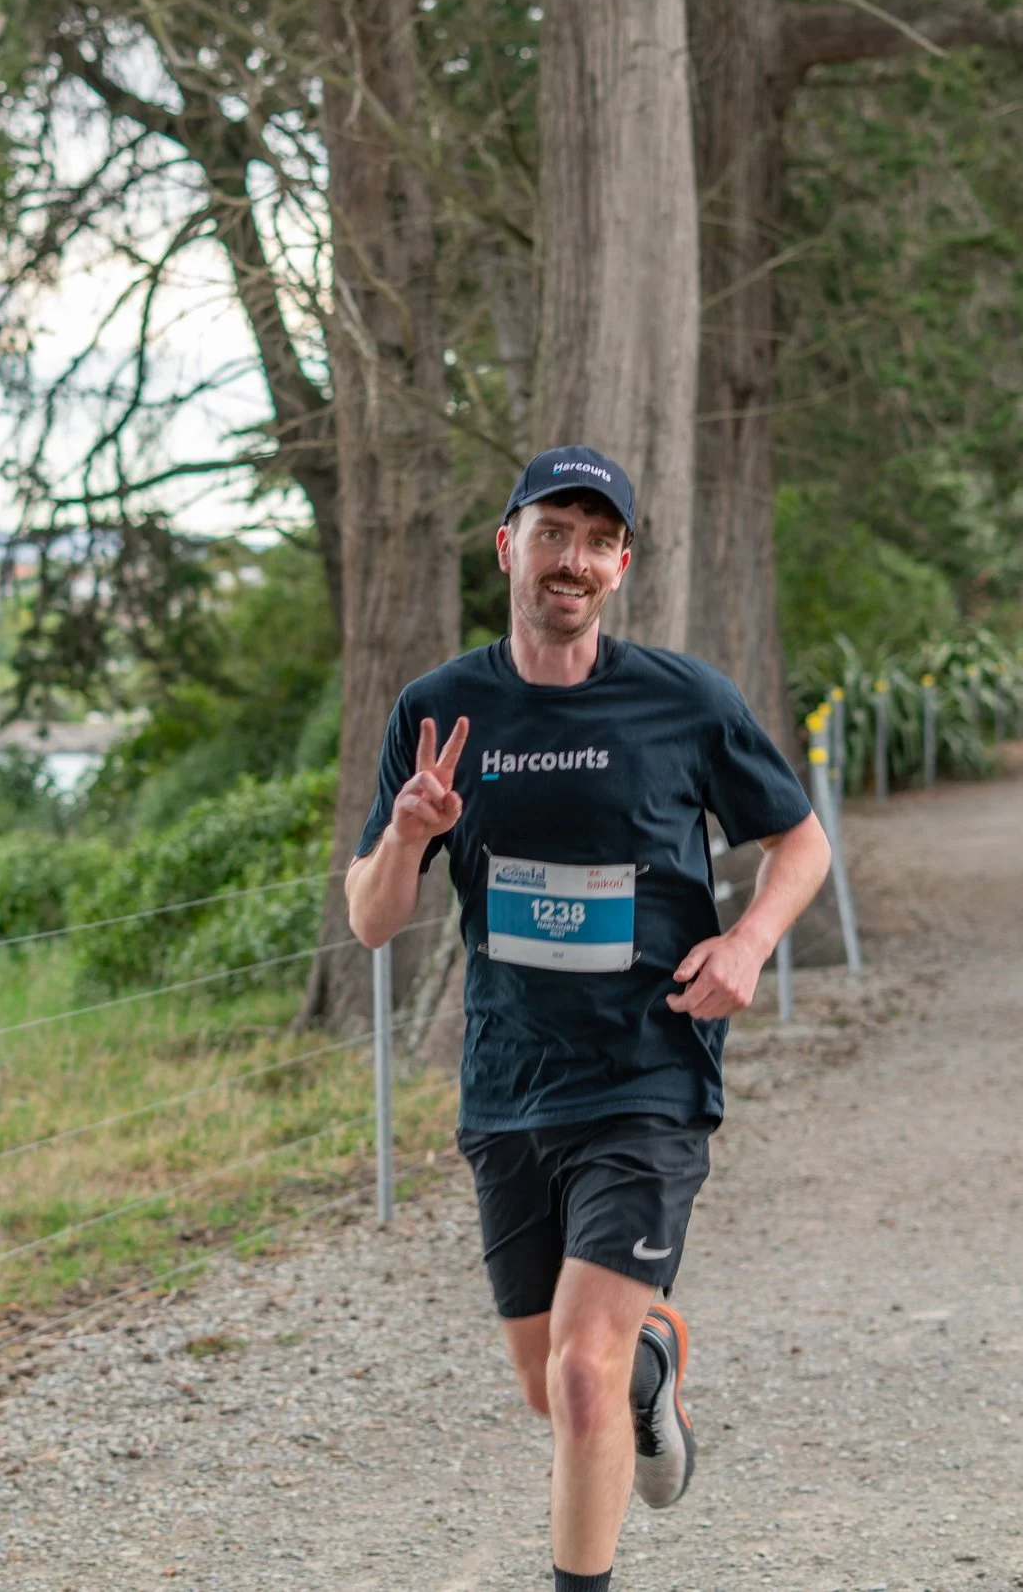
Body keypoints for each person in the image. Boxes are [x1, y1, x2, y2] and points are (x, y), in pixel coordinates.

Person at [345, 445, 832, 1592]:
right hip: (508, 1084)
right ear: (508, 547)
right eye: (551, 533)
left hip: (648, 1074)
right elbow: (372, 921)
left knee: (575, 1377)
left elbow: (799, 841)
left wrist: (748, 941)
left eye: (596, 540)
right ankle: (652, 1362)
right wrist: (412, 830)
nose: (572, 559)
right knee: (548, 1383)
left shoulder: (684, 701)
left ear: (620, 565)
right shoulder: (437, 711)